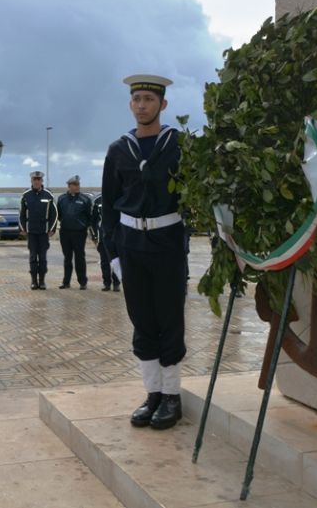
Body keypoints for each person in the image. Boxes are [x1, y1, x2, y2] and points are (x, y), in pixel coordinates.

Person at [102, 74, 187, 430]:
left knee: (169, 319)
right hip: (131, 245)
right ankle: (152, 393)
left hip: (167, 243)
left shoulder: (179, 145)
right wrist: (113, 255)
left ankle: (172, 396)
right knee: (141, 320)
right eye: (137, 98)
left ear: (162, 105)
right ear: (130, 104)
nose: (142, 105)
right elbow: (108, 206)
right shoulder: (118, 150)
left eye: (149, 99)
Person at [19, 170, 57, 289]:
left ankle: (42, 281)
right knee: (33, 257)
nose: (36, 181)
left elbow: (54, 214)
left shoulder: (48, 195)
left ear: (42, 181)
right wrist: (23, 228)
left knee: (43, 257)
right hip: (31, 232)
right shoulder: (26, 195)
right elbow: (21, 214)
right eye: (34, 179)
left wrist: (52, 229)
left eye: (38, 179)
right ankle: (34, 281)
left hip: (43, 232)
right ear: (31, 181)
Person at [57, 174, 93, 289]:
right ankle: (66, 282)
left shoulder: (85, 199)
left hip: (79, 233)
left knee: (79, 257)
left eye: (78, 184)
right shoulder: (62, 199)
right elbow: (59, 214)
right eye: (75, 185)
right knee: (67, 258)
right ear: (69, 186)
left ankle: (83, 282)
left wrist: (83, 226)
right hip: (65, 232)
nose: (77, 187)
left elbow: (89, 216)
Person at [89, 193, 120, 292]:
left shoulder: (119, 198)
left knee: (117, 261)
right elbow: (93, 221)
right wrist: (94, 237)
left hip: (116, 237)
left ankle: (116, 283)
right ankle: (106, 283)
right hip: (103, 237)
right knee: (104, 262)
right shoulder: (98, 201)